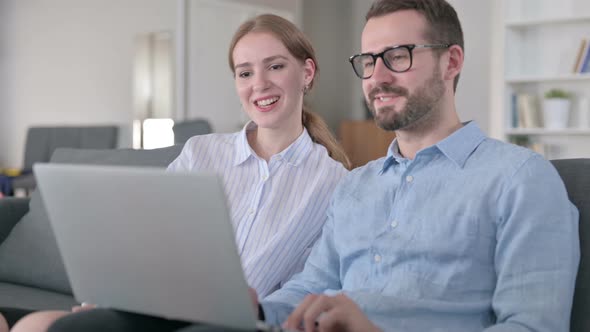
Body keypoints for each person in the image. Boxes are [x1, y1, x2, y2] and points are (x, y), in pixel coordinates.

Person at [41, 0, 580, 331]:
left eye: (398, 56)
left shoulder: (520, 178)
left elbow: (533, 325)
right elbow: (306, 290)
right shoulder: (359, 187)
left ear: (452, 61)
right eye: (369, 61)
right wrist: (251, 309)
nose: (377, 76)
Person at [8, 13, 350, 332]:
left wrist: (260, 310)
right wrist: (103, 301)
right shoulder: (201, 152)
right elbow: (145, 240)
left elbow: (313, 282)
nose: (258, 84)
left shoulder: (333, 183)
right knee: (31, 325)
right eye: (245, 73)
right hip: (154, 310)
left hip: (234, 325)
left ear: (307, 73)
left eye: (275, 66)